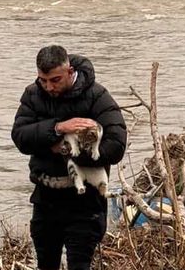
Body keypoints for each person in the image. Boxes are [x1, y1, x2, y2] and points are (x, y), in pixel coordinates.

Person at [12, 46, 127, 270]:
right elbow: (20, 137)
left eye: (55, 80)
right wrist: (56, 128)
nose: (49, 87)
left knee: (80, 266)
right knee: (46, 264)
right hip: (45, 198)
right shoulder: (33, 95)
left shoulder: (98, 96)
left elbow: (116, 147)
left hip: (85, 201)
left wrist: (67, 150)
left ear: (70, 70)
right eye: (43, 80)